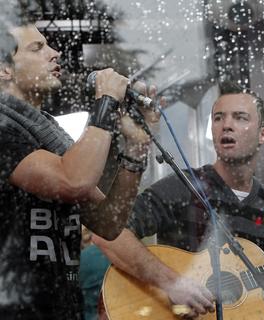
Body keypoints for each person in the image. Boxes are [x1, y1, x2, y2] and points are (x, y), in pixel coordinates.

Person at [93, 82, 264, 319]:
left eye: (240, 118)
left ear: (263, 134)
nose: (227, 125)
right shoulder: (185, 187)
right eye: (219, 118)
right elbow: (108, 233)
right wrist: (172, 283)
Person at [0, 20, 159, 320]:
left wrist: (136, 149)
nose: (55, 52)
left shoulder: (52, 135)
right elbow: (73, 180)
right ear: (4, 69)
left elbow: (107, 222)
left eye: (48, 45)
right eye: (37, 47)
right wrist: (106, 101)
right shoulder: (4, 129)